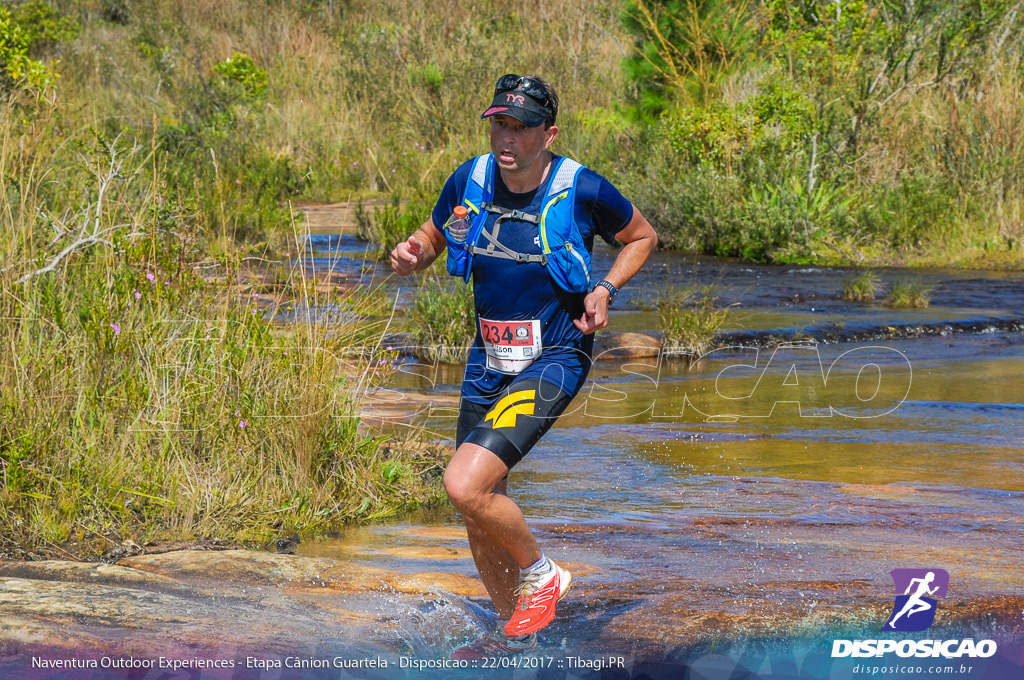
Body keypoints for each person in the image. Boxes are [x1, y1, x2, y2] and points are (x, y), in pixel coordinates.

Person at [390, 73, 657, 657]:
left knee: (463, 483)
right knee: (478, 509)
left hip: (554, 356)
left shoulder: (581, 187)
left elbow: (641, 236)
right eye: (499, 124)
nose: (506, 138)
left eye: (521, 127)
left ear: (548, 132)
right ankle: (516, 633)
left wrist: (607, 286)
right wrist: (415, 252)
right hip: (488, 361)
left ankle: (543, 575)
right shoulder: (472, 177)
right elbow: (436, 235)